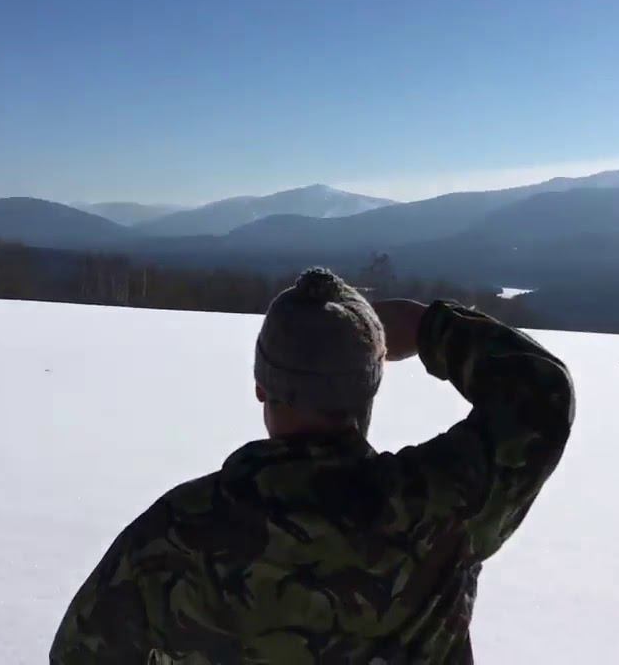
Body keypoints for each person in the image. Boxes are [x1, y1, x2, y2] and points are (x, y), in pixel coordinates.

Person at [50, 268, 574, 664]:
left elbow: (79, 654)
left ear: (261, 387)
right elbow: (540, 396)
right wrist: (428, 327)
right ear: (371, 385)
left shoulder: (173, 534)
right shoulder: (438, 506)